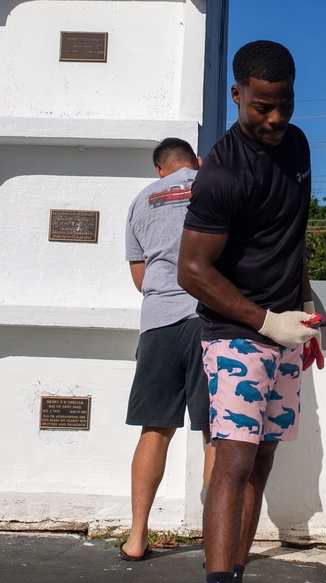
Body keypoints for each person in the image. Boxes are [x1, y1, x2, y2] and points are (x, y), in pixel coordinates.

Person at [177, 40, 323, 583]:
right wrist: (265, 319)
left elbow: (290, 234)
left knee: (260, 465)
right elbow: (192, 269)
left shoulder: (298, 148)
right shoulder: (223, 171)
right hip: (236, 332)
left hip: (286, 328)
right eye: (262, 106)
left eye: (284, 105)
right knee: (232, 464)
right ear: (236, 95)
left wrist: (304, 302)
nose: (275, 119)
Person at [120, 138, 214, 561]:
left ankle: (137, 538)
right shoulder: (212, 184)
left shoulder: (140, 201)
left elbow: (141, 279)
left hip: (157, 324)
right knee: (217, 433)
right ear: (194, 161)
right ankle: (218, 540)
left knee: (154, 430)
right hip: (207, 317)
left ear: (160, 170)